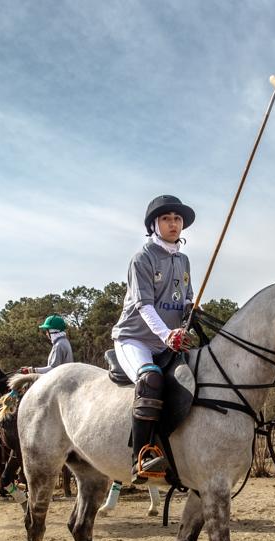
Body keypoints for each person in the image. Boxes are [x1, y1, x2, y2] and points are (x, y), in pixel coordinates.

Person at [111, 195, 195, 482]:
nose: (173, 224)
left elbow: (186, 301)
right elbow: (144, 305)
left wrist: (191, 315)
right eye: (166, 219)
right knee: (151, 380)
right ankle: (141, 457)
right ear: (154, 225)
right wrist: (167, 334)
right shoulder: (142, 259)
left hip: (167, 341)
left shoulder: (183, 260)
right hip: (134, 339)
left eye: (177, 219)